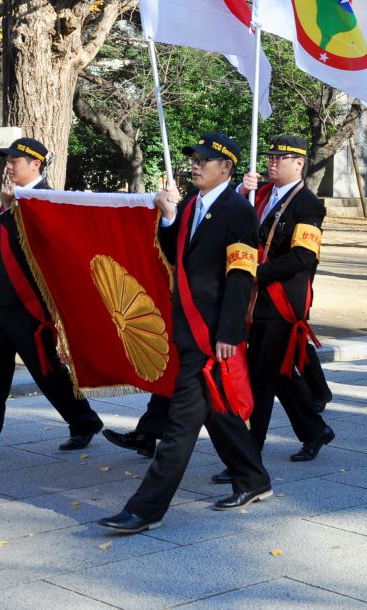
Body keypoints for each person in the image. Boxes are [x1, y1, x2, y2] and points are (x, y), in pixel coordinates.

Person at [98, 133, 270, 534]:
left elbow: (241, 277)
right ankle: (253, 478)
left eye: (204, 160)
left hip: (211, 332)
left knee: (180, 424)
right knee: (215, 411)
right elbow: (174, 249)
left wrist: (229, 332)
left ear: (226, 167)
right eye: (193, 158)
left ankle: (146, 509)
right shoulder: (193, 202)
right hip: (188, 326)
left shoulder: (239, 211)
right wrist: (169, 215)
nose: (195, 164)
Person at [0, 138, 104, 465]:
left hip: (31, 307)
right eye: (8, 160)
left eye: (15, 160)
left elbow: (47, 254)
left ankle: (84, 420)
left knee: (47, 372)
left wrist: (13, 209)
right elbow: (2, 254)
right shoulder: (11, 198)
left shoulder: (48, 201)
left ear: (35, 164)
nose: (9, 166)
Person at [238, 135, 335, 462]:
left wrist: (256, 272)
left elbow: (303, 257)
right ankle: (314, 430)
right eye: (270, 157)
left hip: (280, 302)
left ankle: (248, 454)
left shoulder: (307, 204)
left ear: (299, 163)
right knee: (277, 371)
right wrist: (241, 193)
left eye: (280, 158)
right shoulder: (261, 194)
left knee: (260, 377)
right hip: (256, 298)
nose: (272, 162)